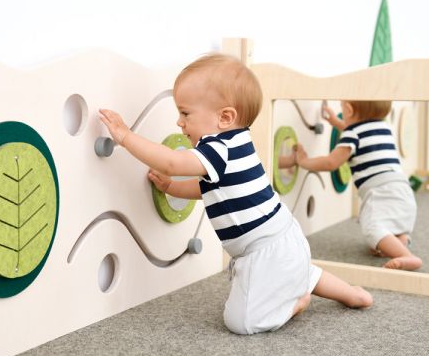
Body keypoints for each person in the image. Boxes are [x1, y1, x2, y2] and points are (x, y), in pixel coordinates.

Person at [99, 53, 373, 335]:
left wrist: (126, 137)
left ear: (225, 117)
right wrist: (171, 187)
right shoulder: (237, 142)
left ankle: (295, 304)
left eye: (185, 113)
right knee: (296, 270)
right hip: (284, 238)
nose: (179, 122)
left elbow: (171, 162)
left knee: (240, 322)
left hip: (264, 250)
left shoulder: (218, 148)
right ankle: (352, 294)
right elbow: (210, 190)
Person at [295, 100, 421, 271]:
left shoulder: (352, 134)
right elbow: (358, 133)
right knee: (390, 222)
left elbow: (331, 163)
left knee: (372, 228)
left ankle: (406, 256)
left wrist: (304, 161)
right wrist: (336, 122)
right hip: (402, 187)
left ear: (348, 110)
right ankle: (400, 240)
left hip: (380, 190)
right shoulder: (383, 127)